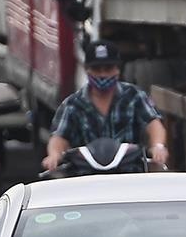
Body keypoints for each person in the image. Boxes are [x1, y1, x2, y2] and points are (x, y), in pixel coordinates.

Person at [42, 40, 169, 172]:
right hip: (86, 179)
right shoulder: (72, 104)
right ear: (87, 70)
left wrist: (158, 146)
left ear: (117, 69)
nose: (103, 74)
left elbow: (153, 124)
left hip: (128, 175)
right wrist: (54, 155)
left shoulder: (134, 96)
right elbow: (59, 136)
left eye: (108, 68)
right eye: (97, 69)